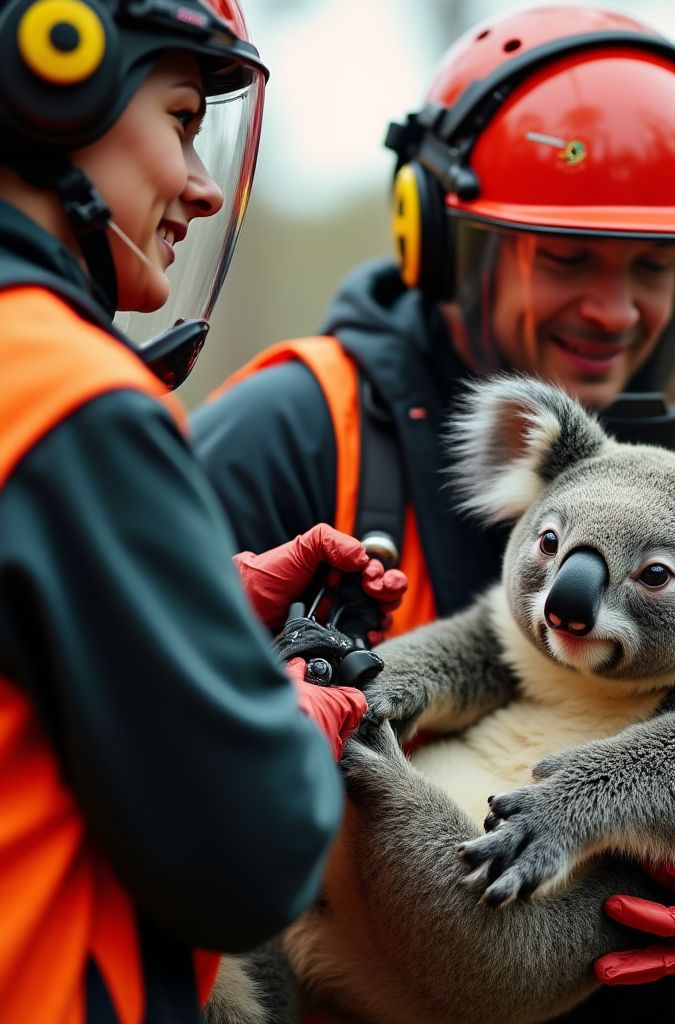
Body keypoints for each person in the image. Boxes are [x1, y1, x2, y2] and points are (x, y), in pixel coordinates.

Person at [191, 6, 675, 1022]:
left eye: (654, 264)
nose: (614, 310)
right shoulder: (300, 424)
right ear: (440, 235)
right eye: (569, 256)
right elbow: (127, 714)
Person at [0, 1, 404, 1021]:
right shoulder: (65, 396)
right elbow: (246, 854)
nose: (204, 182)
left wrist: (200, 602)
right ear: (50, 68)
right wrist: (300, 712)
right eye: (182, 118)